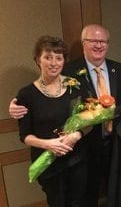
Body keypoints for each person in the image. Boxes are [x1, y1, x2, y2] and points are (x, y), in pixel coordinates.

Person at [10, 24, 121, 207]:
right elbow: (43, 92)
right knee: (85, 195)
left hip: (115, 143)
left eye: (102, 41)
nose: (98, 45)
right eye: (93, 40)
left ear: (107, 44)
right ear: (83, 43)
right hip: (84, 146)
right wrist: (15, 103)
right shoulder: (67, 71)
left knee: (116, 189)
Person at [16, 35, 86, 207]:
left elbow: (86, 120)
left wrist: (76, 135)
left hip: (76, 159)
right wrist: (49, 144)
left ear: (64, 61)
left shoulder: (74, 85)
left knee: (79, 202)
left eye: (58, 57)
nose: (53, 62)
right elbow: (25, 136)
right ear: (37, 60)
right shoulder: (26, 94)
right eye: (48, 57)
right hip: (48, 163)